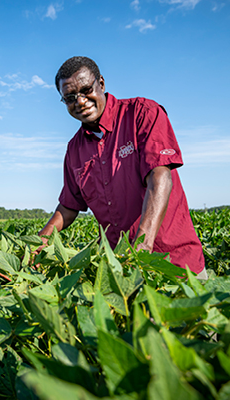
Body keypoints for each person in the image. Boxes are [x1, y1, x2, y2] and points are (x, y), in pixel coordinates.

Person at [38, 56, 206, 277]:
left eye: (86, 89)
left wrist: (141, 248)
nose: (80, 101)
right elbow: (69, 206)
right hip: (118, 268)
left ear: (102, 84)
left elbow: (160, 177)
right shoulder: (74, 149)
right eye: (69, 97)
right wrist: (39, 242)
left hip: (173, 261)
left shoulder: (142, 113)